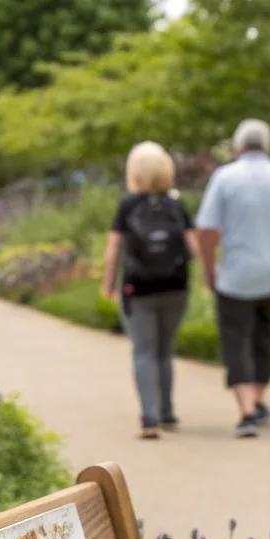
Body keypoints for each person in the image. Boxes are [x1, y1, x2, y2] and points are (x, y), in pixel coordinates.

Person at [196, 118, 270, 438]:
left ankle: (246, 410)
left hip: (235, 274)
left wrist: (209, 267)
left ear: (238, 145)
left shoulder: (225, 178)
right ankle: (259, 399)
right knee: (265, 335)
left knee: (236, 339)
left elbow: (206, 229)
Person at [101, 141, 196, 438]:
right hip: (175, 287)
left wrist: (108, 284)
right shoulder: (176, 204)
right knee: (165, 351)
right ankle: (168, 412)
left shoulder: (128, 205)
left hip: (138, 288)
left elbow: (113, 248)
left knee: (143, 351)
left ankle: (150, 418)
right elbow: (193, 247)